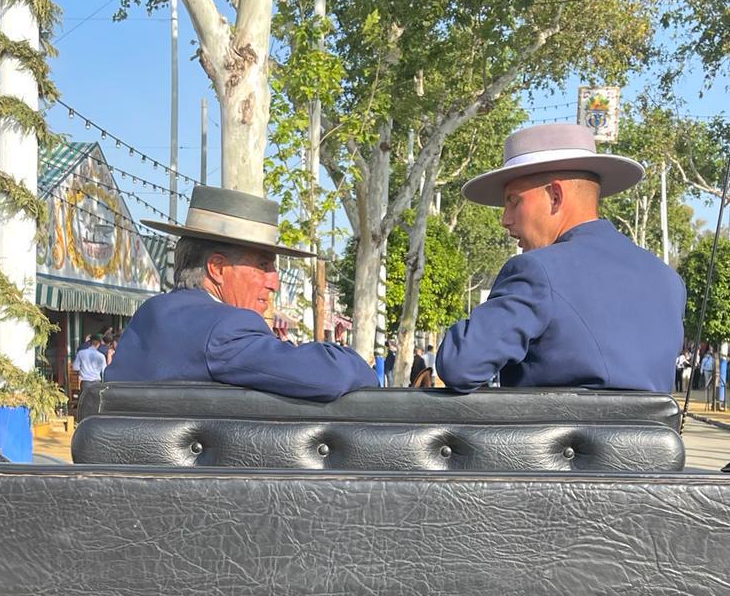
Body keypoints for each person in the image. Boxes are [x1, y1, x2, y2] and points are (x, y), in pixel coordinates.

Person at [437, 123, 686, 394]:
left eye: (514, 201)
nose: (504, 220)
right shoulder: (669, 280)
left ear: (555, 196)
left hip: (555, 437)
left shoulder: (536, 271)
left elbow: (459, 364)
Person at [107, 186, 378, 401]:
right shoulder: (225, 327)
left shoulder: (150, 313)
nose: (274, 282)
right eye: (263, 265)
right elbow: (330, 376)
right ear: (217, 268)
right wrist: (355, 361)